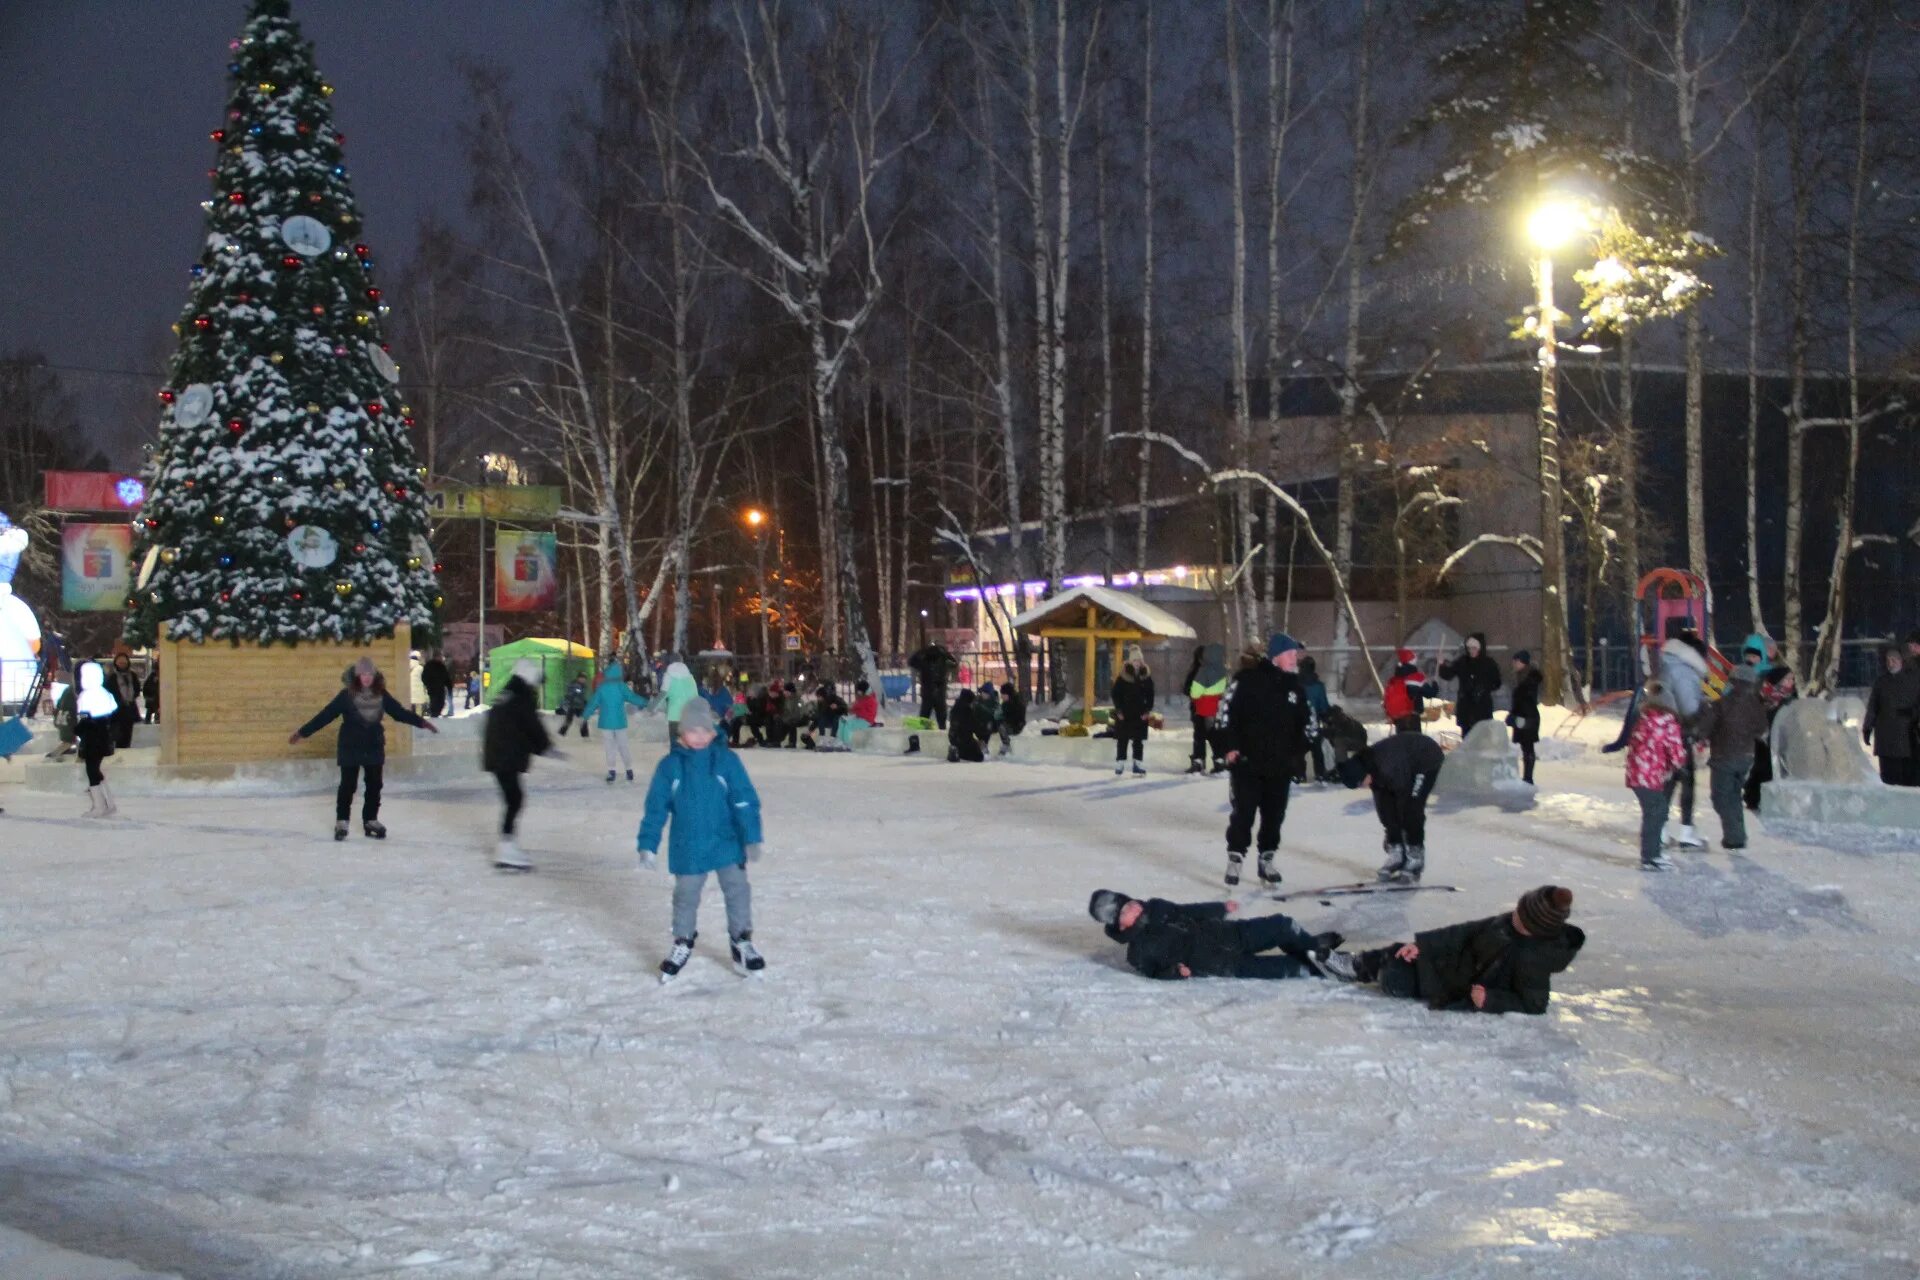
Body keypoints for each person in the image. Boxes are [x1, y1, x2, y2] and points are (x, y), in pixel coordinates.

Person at [638, 698, 765, 982]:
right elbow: (656, 807)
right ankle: (682, 941)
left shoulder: (726, 761)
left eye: (703, 731)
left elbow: (744, 800)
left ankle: (740, 940)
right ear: (681, 733)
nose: (697, 737)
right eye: (691, 731)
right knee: (685, 896)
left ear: (712, 732)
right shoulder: (670, 767)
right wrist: (648, 844)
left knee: (737, 890)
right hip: (689, 844)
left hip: (726, 841)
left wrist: (752, 837)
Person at [1315, 886, 1584, 1016]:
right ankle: (1352, 965)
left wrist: (1491, 1000)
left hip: (1456, 987)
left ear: (1534, 928)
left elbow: (1535, 1004)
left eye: (1521, 916)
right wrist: (1421, 945)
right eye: (1517, 910)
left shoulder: (1534, 959)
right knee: (1399, 952)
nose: (1513, 914)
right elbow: (1464, 932)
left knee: (1395, 977)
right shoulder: (1511, 921)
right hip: (1450, 963)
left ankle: (1361, 969)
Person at [290, 656, 438, 841]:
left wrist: (422, 722)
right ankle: (342, 821)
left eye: (370, 674)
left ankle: (370, 820)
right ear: (357, 676)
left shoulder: (382, 695)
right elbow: (325, 716)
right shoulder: (346, 696)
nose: (366, 677)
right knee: (348, 785)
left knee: (374, 785)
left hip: (373, 745)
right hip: (350, 746)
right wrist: (302, 733)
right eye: (363, 674)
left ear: (374, 676)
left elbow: (399, 713)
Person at [1217, 634, 1315, 888]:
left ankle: (1267, 859)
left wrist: (1297, 753)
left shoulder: (1296, 688)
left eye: (1297, 655)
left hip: (1280, 766)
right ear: (1277, 656)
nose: (1296, 659)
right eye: (1292, 654)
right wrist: (1230, 747)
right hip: (1248, 763)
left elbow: (1309, 724)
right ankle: (1236, 858)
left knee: (1274, 816)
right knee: (1244, 813)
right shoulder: (1247, 680)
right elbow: (1225, 713)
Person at [1087, 890, 1342, 982]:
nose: (1133, 907)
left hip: (1233, 934)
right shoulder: (1138, 952)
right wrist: (1176, 972)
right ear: (1120, 925)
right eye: (1125, 911)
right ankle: (1321, 967)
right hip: (1223, 964)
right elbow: (1154, 972)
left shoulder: (1157, 907)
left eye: (1128, 902)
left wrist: (1219, 909)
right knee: (1284, 968)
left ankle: (1311, 947)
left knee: (1282, 925)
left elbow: (1188, 911)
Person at [482, 658, 560, 870]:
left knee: (513, 799)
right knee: (515, 799)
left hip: (498, 755)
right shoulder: (521, 697)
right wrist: (545, 747)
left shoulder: (506, 693)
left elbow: (515, 726)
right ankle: (506, 847)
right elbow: (531, 725)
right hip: (506, 756)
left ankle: (507, 845)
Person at [1344, 721, 1446, 884]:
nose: (1363, 787)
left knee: (1411, 808)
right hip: (1405, 760)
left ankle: (1415, 854)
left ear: (1363, 774)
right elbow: (1385, 808)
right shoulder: (1372, 770)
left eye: (1361, 783)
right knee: (1386, 808)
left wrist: (1405, 831)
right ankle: (1396, 853)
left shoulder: (1388, 766)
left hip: (1425, 759)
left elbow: (1403, 798)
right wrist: (1393, 837)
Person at [1692, 662, 1770, 848]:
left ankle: (1735, 837)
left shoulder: (1722, 704)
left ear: (1733, 681)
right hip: (1746, 757)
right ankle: (1737, 835)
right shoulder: (1756, 705)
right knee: (1734, 795)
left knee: (1720, 798)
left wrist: (1697, 734)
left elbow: (1705, 728)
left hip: (1723, 757)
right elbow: (1762, 729)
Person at [1625, 679, 1689, 870]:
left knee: (1653, 813)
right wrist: (1680, 766)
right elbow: (1675, 749)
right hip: (1649, 776)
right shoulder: (1667, 722)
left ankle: (1651, 853)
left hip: (1637, 775)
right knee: (1657, 812)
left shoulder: (1643, 719)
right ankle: (1651, 856)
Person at [1658, 627, 1710, 850]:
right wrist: (1703, 714)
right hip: (1680, 732)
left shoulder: (1667, 665)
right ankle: (1686, 831)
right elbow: (1689, 708)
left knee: (1670, 780)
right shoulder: (1683, 671)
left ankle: (1660, 829)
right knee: (1685, 780)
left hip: (1664, 731)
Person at [1741, 633, 1796, 812]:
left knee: (1780, 767)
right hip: (1765, 734)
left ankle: (1777, 799)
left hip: (1783, 735)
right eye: (1787, 680)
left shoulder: (1789, 694)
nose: (1790, 683)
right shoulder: (1765, 690)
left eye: (1792, 680)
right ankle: (1754, 796)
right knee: (1763, 766)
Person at [1862, 645, 1919, 787]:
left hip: (1908, 739)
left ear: (1901, 661)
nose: (1890, 663)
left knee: (1908, 780)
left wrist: (1914, 713)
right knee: (1889, 779)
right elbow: (1873, 707)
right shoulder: (1881, 683)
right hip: (1886, 740)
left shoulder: (1913, 681)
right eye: (1888, 660)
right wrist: (1867, 727)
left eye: (1894, 659)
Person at [586, 661, 649, 783]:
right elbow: (632, 697)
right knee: (623, 746)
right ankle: (629, 769)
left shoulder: (602, 687)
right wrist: (645, 702)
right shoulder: (621, 686)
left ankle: (611, 771)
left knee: (609, 747)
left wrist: (585, 714)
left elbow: (594, 702)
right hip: (620, 722)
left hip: (606, 722)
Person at [75, 660, 121, 818]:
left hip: (91, 739)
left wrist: (77, 730)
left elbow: (84, 720)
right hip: (103, 737)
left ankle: (100, 805)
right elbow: (113, 712)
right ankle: (108, 802)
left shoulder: (86, 696)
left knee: (92, 771)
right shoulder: (106, 694)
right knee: (96, 769)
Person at [1438, 633, 1501, 735]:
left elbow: (1497, 683)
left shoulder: (1489, 663)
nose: (1472, 651)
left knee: (1482, 737)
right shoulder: (1463, 662)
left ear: (1480, 648)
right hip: (1465, 706)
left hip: (1482, 707)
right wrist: (1442, 665)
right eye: (1469, 648)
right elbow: (1448, 674)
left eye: (1474, 648)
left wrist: (1483, 688)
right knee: (1467, 737)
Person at [1184, 644, 1228, 775]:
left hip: (1201, 708)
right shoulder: (1218, 670)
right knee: (1210, 734)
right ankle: (1217, 760)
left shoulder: (1198, 671)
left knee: (1202, 735)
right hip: (1210, 708)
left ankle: (1200, 761)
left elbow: (1188, 689)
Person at [1109, 659, 1155, 777]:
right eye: (1135, 661)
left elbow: (1151, 695)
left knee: (1138, 740)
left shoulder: (1145, 676)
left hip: (1140, 714)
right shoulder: (1123, 676)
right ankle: (1120, 763)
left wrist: (1147, 710)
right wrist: (1118, 710)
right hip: (1124, 714)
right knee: (1122, 739)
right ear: (1130, 662)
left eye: (1139, 661)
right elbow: (1115, 694)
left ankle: (1138, 764)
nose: (1137, 663)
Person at [1506, 650, 1543, 785]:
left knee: (1528, 747)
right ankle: (1527, 777)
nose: (1514, 664)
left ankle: (1528, 778)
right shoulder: (1521, 677)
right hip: (1524, 716)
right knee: (1525, 747)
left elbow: (1525, 700)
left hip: (1528, 717)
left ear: (1523, 662)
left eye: (1517, 661)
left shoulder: (1529, 678)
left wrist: (1515, 715)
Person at [1297, 654, 1334, 782]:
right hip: (1314, 724)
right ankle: (1320, 774)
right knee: (1317, 751)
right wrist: (1327, 718)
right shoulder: (1318, 686)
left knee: (1298, 752)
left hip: (1299, 726)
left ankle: (1300, 775)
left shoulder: (1296, 684)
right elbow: (1323, 707)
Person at [1382, 648, 1438, 733]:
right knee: (1414, 744)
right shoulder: (1416, 678)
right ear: (1412, 662)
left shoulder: (1394, 680)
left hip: (1398, 719)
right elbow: (1430, 693)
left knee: (1402, 743)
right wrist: (1435, 684)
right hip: (1412, 718)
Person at [909, 639, 955, 729]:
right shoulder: (943, 659)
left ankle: (925, 733)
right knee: (941, 719)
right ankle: (940, 731)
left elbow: (912, 662)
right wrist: (946, 653)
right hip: (939, 692)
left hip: (928, 693)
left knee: (925, 718)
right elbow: (954, 663)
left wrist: (921, 651)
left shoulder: (924, 660)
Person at [107, 650, 142, 749]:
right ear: (116, 663)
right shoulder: (112, 677)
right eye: (120, 663)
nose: (122, 665)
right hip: (116, 709)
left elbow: (137, 689)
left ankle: (125, 748)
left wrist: (131, 697)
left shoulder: (132, 675)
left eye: (124, 662)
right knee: (117, 733)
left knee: (128, 732)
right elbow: (108, 691)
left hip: (129, 708)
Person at [803, 681, 848, 749]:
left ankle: (833, 738)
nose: (818, 699)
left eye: (819, 697)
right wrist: (810, 730)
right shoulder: (821, 703)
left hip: (837, 721)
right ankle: (822, 738)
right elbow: (818, 717)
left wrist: (837, 707)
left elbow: (845, 709)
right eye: (817, 697)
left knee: (835, 716)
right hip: (828, 721)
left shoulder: (836, 699)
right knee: (821, 716)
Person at [661, 659, 699, 740]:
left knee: (675, 743)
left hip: (674, 716)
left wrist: (650, 707)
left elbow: (663, 695)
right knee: (686, 743)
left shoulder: (670, 678)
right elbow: (695, 697)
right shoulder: (690, 679)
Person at [947, 687, 984, 762]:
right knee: (979, 757)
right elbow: (976, 727)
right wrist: (982, 737)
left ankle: (954, 750)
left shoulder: (954, 709)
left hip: (953, 739)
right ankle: (959, 753)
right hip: (965, 741)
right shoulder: (967, 711)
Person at [997, 681, 1026, 756]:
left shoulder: (1017, 703)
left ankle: (1006, 745)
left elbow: (1018, 717)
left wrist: (1004, 719)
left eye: (1003, 694)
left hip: (1016, 726)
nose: (1002, 696)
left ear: (1008, 694)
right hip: (1009, 724)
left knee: (1001, 726)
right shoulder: (1005, 703)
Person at [421, 652, 452, 718]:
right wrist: (428, 684)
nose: (441, 658)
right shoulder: (429, 665)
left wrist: (449, 686)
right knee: (434, 701)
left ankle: (436, 713)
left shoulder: (441, 666)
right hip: (432, 688)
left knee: (441, 702)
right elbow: (424, 676)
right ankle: (434, 714)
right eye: (440, 656)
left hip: (440, 687)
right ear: (436, 657)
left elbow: (446, 677)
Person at [408, 650, 428, 715]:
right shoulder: (420, 668)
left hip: (408, 692)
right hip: (418, 692)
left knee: (409, 708)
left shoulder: (405, 667)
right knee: (418, 709)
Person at [141, 661, 160, 725]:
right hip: (152, 699)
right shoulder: (152, 676)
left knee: (158, 716)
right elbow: (146, 688)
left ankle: (156, 721)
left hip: (157, 700)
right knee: (149, 714)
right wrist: (148, 697)